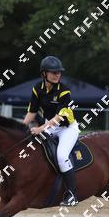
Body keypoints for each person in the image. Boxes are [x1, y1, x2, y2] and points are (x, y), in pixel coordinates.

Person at [23, 56, 79, 206]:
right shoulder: (37, 88)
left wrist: (40, 128)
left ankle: (72, 194)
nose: (57, 75)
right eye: (53, 72)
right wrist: (21, 127)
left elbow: (59, 117)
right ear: (44, 73)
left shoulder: (64, 90)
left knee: (61, 156)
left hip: (67, 128)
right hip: (50, 126)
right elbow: (32, 111)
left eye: (59, 72)